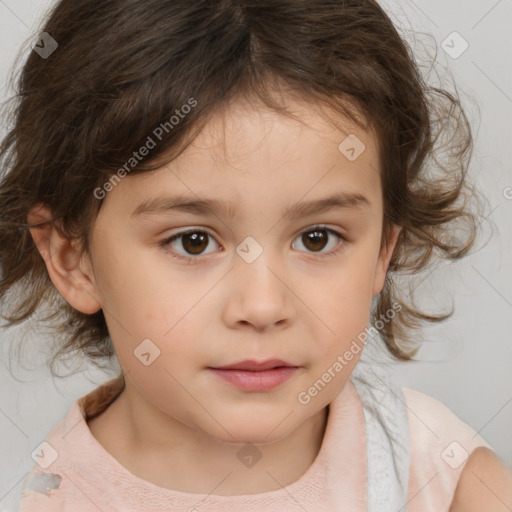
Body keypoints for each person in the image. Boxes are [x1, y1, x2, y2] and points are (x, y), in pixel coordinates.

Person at [1, 0, 511, 510]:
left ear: (382, 250)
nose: (264, 306)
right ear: (74, 260)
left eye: (317, 238)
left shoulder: (443, 480)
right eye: (193, 241)